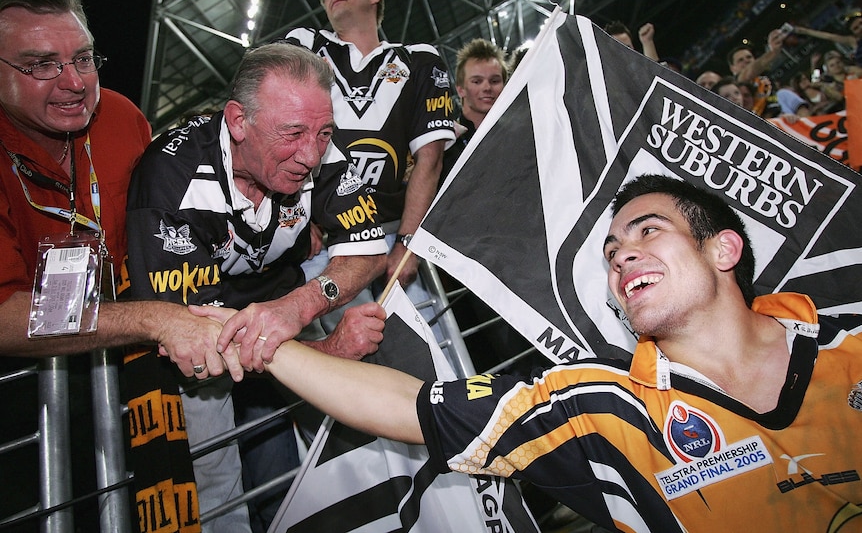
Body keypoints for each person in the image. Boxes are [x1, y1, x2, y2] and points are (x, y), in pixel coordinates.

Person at [216, 173, 862, 533]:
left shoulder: (851, 347)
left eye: (647, 231)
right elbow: (408, 406)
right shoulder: (604, 407)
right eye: (611, 252)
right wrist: (256, 339)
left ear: (722, 250)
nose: (622, 255)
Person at [0, 0, 241, 531]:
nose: (74, 82)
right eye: (40, 65)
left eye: (83, 58)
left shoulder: (123, 119)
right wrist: (156, 319)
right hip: (22, 404)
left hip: (129, 376)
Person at [124, 42, 388, 532]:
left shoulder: (319, 146)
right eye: (292, 133)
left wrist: (302, 305)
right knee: (217, 476)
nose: (312, 154)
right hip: (207, 335)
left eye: (324, 132)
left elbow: (370, 249)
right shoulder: (169, 179)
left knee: (287, 473)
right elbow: (205, 348)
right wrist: (325, 351)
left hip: (280, 313)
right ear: (238, 121)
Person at [283, 0, 456, 334]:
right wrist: (296, 220)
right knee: (348, 365)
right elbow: (277, 134)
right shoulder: (304, 46)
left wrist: (408, 244)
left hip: (396, 230)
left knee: (429, 351)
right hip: (327, 242)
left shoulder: (421, 60)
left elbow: (430, 158)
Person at [442, 37, 508, 182]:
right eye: (477, 81)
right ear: (460, 90)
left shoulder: (518, 136)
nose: (487, 88)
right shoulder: (445, 145)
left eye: (495, 81)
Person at [727, 31, 786, 117]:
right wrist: (773, 52)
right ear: (733, 68)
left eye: (749, 57)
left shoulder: (765, 76)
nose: (746, 61)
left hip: (780, 116)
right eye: (740, 60)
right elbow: (750, 71)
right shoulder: (738, 83)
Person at [794, 11, 862, 67]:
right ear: (853, 33)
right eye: (856, 28)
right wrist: (806, 31)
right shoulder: (853, 41)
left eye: (861, 23)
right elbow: (830, 37)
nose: (861, 27)